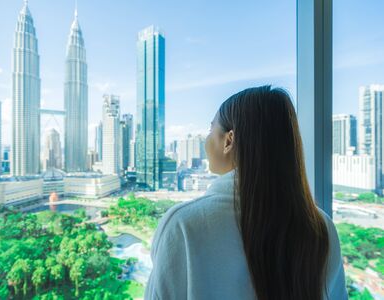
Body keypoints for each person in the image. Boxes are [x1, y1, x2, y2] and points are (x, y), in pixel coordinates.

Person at [144, 86, 347, 300]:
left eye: (210, 130)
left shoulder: (184, 225)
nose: (206, 141)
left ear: (229, 140)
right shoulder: (321, 227)